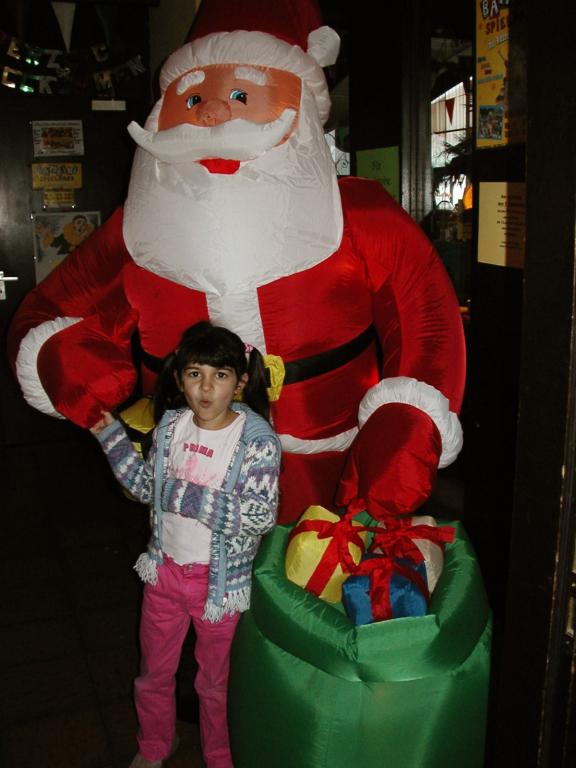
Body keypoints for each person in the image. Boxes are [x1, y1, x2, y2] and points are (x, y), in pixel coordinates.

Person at [90, 321, 281, 768]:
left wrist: (186, 495)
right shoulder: (172, 427)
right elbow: (144, 487)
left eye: (220, 375)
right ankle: (155, 744)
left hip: (219, 590)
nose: (206, 388)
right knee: (153, 672)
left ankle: (220, 756)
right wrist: (112, 439)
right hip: (163, 573)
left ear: (241, 382)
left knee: (216, 682)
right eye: (195, 374)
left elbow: (260, 516)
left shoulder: (257, 442)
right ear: (179, 379)